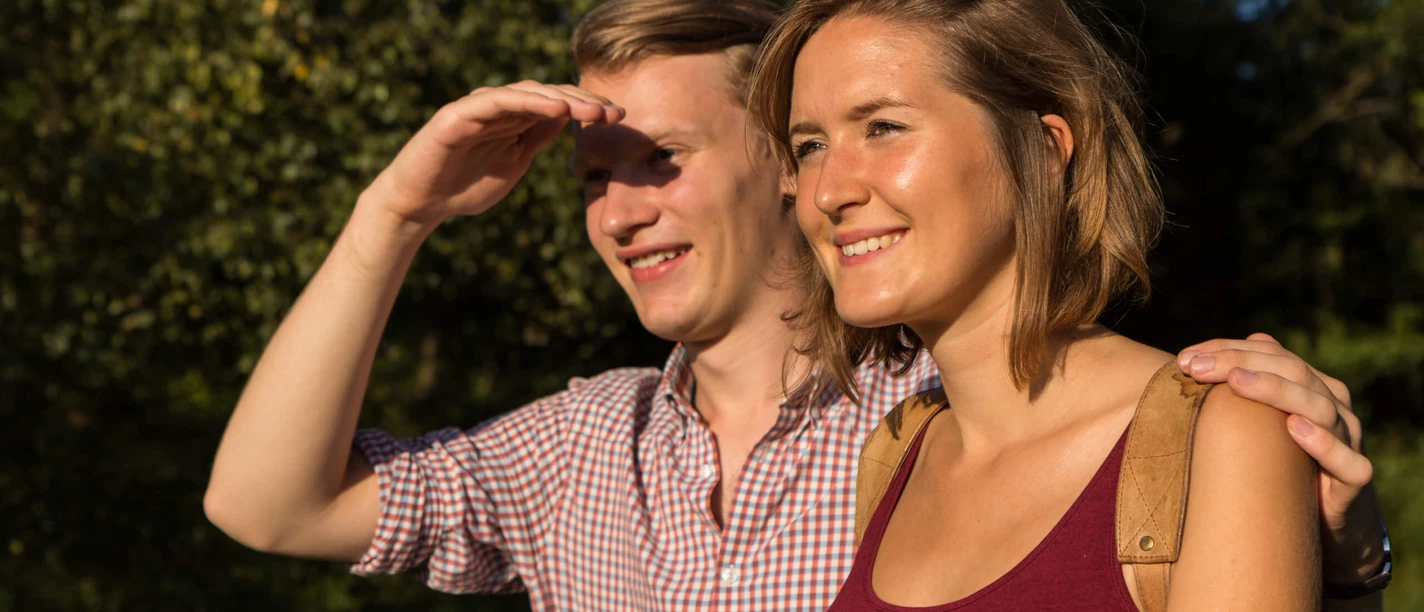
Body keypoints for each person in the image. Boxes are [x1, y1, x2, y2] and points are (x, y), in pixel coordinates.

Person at [202, 0, 1388, 610]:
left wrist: (1336, 558)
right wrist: (393, 216)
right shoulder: (588, 445)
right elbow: (266, 504)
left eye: (660, 158)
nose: (620, 213)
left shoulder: (921, 417)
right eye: (592, 179)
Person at [747, 0, 1388, 610]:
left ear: (1044, 147)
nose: (828, 192)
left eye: (883, 128)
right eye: (811, 147)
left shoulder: (1223, 437)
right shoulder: (895, 456)